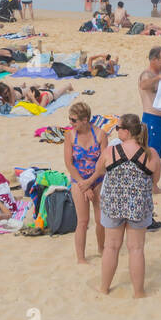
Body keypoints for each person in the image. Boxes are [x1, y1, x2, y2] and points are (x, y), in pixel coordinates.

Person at [90, 114, 160, 297]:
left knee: (111, 247)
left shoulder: (110, 152)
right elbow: (155, 181)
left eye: (118, 128)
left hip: (113, 204)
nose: (116, 131)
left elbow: (99, 171)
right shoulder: (151, 154)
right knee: (136, 248)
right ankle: (138, 292)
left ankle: (104, 288)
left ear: (126, 132)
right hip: (139, 205)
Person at [63, 102, 106, 264]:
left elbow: (103, 164)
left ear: (85, 120)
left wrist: (90, 182)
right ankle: (81, 258)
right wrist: (83, 184)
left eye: (74, 120)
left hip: (97, 179)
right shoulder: (70, 136)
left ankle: (102, 248)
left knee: (101, 219)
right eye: (70, 119)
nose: (71, 123)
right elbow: (69, 164)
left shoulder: (101, 135)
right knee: (83, 221)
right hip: (78, 180)